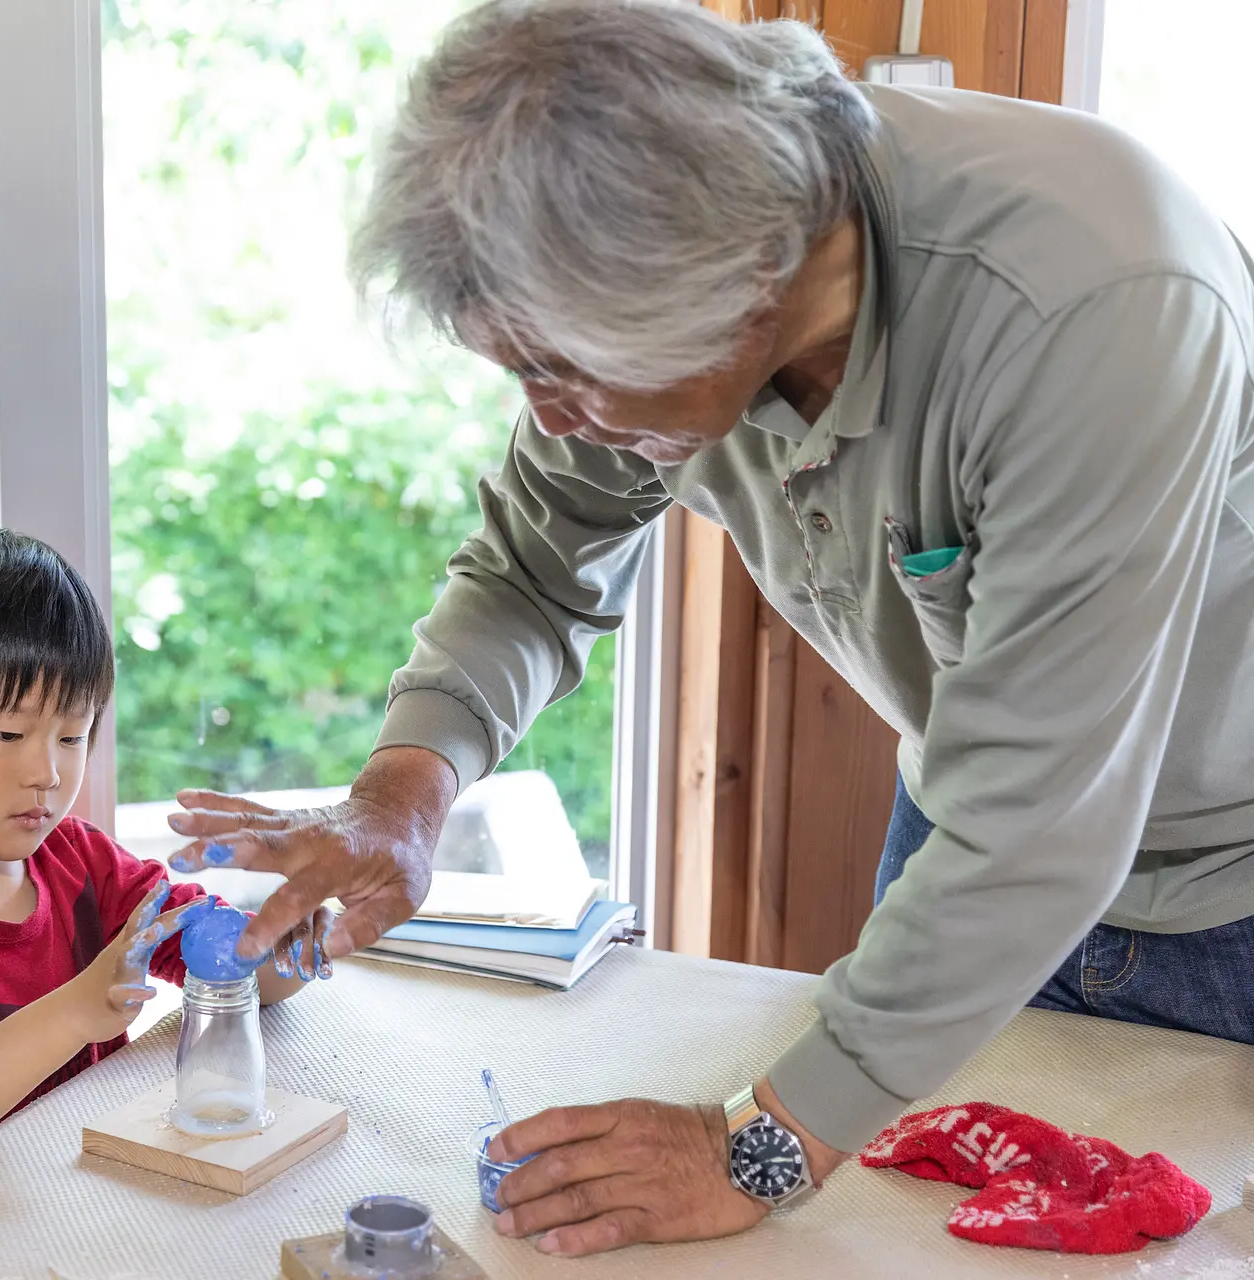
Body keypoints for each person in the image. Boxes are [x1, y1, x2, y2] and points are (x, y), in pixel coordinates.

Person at [165, 0, 1254, 1259]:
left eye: (560, 373)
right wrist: (400, 800)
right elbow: (534, 562)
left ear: (744, 291)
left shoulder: (1096, 301)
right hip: (973, 838)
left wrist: (759, 1140)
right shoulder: (670, 295)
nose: (552, 418)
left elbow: (1044, 815)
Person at [0, 529, 326, 1203]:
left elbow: (214, 956)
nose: (47, 773)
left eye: (72, 735)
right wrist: (74, 1014)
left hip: (85, 1211)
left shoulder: (82, 863)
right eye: (8, 735)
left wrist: (276, 943)